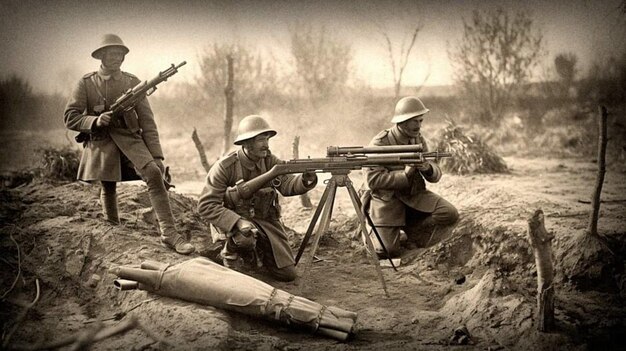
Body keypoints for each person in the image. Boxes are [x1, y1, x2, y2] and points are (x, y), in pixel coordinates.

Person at [63, 34, 194, 255]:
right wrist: (95, 120)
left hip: (130, 138)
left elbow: (147, 122)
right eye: (112, 54)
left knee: (153, 173)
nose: (117, 58)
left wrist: (157, 156)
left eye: (120, 54)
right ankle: (112, 226)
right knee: (107, 184)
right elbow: (70, 117)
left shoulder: (132, 82)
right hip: (101, 140)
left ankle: (169, 234)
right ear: (101, 56)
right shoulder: (86, 83)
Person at [197, 115, 317, 282]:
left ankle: (257, 254)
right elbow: (206, 206)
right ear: (246, 143)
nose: (266, 144)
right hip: (235, 224)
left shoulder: (269, 160)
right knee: (245, 238)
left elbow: (287, 184)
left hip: (266, 221)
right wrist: (238, 222)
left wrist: (305, 180)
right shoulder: (225, 167)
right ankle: (229, 252)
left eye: (267, 139)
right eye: (261, 140)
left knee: (287, 274)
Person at [362, 96, 459, 258]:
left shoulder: (418, 139)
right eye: (415, 121)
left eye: (421, 121)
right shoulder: (380, 144)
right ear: (402, 121)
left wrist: (427, 168)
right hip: (387, 200)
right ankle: (369, 232)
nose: (419, 125)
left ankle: (410, 230)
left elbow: (435, 173)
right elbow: (372, 181)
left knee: (449, 213)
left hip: (414, 195)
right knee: (387, 251)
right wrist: (404, 175)